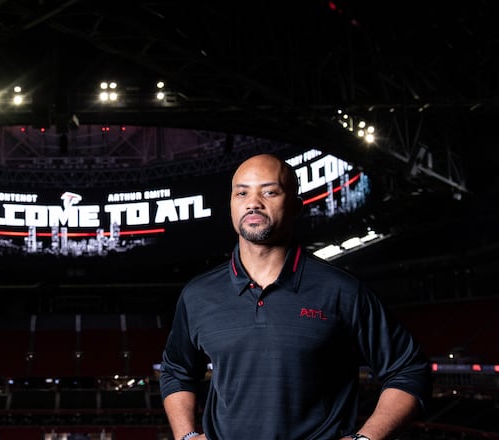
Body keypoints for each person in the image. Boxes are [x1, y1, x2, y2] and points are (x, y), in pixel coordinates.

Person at [159, 153, 431, 440]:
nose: (253, 202)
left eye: (270, 191)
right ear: (231, 205)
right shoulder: (198, 294)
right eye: (242, 193)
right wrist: (186, 436)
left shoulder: (341, 290)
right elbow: (176, 370)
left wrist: (366, 439)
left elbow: (409, 370)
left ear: (296, 206)